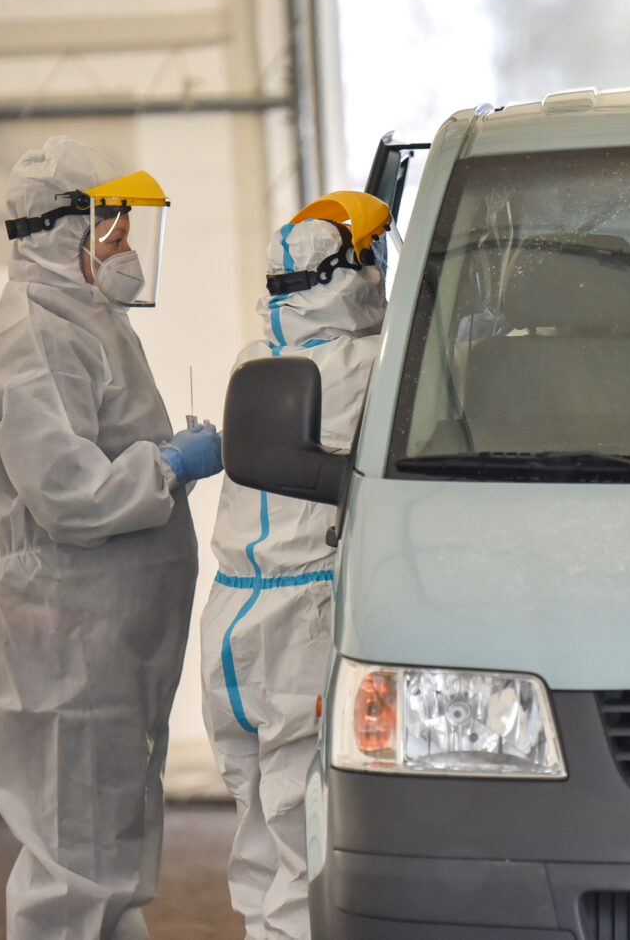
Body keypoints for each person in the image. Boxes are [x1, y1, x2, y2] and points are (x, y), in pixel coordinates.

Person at [0, 135, 224, 940]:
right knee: (73, 867)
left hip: (93, 633)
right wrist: (169, 464)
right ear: (64, 228)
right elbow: (70, 494)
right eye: (113, 225)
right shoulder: (38, 334)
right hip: (62, 631)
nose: (126, 245)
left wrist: (164, 463)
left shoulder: (82, 321)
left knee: (106, 860)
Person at [201, 191, 391, 940]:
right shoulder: (373, 364)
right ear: (351, 272)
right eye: (371, 258)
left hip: (229, 617)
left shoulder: (254, 359)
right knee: (300, 827)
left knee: (254, 829)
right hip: (300, 622)